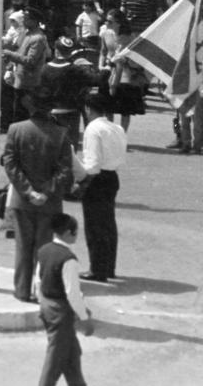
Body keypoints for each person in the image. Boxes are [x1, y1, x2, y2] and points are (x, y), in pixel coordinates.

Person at [2, 95, 75, 302]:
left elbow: (10, 164)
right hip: (50, 203)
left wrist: (28, 191)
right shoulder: (61, 134)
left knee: (23, 248)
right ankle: (41, 290)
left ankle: (22, 291)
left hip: (21, 201)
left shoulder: (16, 129)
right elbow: (64, 170)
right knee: (44, 249)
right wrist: (45, 192)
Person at [36, 213, 95, 386]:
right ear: (69, 233)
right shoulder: (68, 259)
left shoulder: (44, 250)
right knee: (54, 362)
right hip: (61, 313)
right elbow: (72, 293)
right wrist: (85, 318)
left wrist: (43, 304)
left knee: (71, 356)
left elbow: (38, 281)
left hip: (47, 307)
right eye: (76, 233)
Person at [75, 91, 127, 282]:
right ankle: (108, 267)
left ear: (88, 109)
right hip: (112, 176)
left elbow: (93, 163)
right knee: (108, 224)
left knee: (95, 226)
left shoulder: (92, 129)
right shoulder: (117, 128)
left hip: (96, 179)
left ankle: (97, 269)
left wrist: (80, 179)